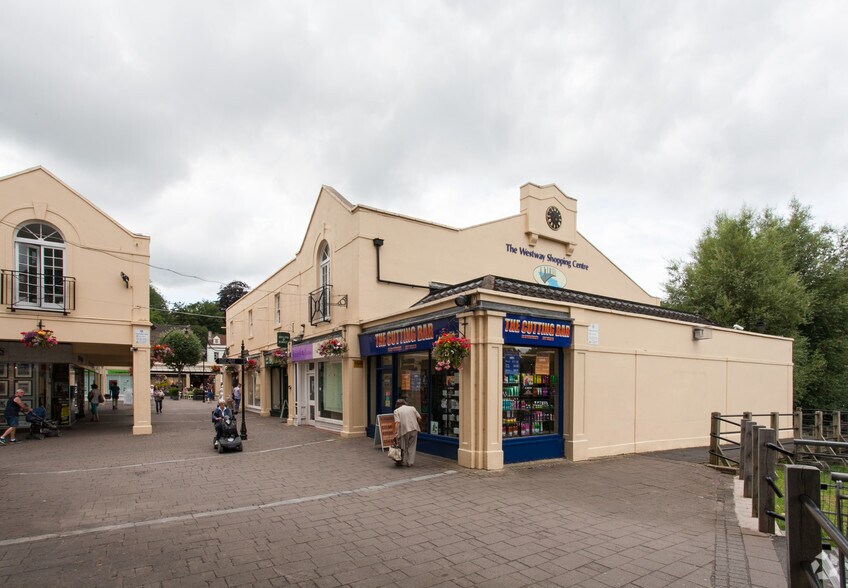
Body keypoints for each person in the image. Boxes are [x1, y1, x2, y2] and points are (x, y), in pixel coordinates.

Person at [393, 398, 422, 467]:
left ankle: (400, 461)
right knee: (412, 446)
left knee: (402, 446)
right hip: (414, 429)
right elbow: (419, 417)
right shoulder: (412, 408)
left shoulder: (396, 411)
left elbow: (397, 423)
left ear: (397, 405)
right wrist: (416, 423)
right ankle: (410, 462)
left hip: (404, 430)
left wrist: (395, 433)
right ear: (405, 403)